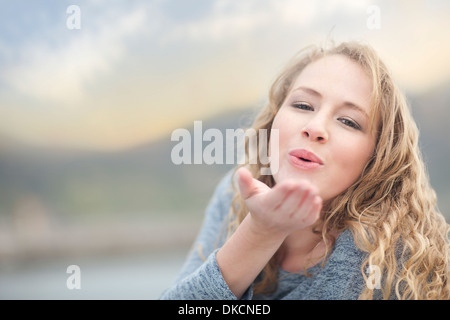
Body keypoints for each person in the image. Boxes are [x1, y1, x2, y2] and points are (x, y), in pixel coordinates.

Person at [160, 41, 449, 300]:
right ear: (274, 119)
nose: (314, 128)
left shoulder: (387, 260)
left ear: (377, 158)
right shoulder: (235, 192)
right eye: (302, 105)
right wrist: (258, 232)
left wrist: (265, 230)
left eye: (348, 121)